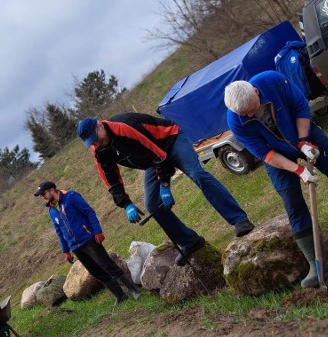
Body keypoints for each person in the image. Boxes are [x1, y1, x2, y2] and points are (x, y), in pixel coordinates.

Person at [223, 72, 328, 288]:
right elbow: (265, 154)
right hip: (277, 155)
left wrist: (303, 141)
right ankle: (317, 263)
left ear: (256, 92)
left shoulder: (272, 81)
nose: (251, 115)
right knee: (291, 201)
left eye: (253, 108)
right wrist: (299, 170)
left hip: (305, 133)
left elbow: (301, 107)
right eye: (246, 114)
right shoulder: (235, 120)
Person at [76, 112, 256, 266]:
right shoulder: (98, 149)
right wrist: (126, 204)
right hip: (151, 161)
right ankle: (190, 242)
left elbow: (157, 152)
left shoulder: (124, 127)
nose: (96, 143)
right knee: (152, 206)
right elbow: (110, 180)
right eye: (92, 142)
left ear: (100, 125)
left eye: (96, 138)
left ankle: (239, 220)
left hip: (171, 140)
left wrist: (164, 185)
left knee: (198, 175)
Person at [34, 181, 141, 305]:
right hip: (75, 247)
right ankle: (120, 296)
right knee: (96, 272)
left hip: (88, 239)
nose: (43, 197)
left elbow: (89, 212)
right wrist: (65, 250)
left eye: (44, 193)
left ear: (52, 190)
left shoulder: (71, 196)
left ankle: (134, 290)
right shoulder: (52, 210)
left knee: (108, 266)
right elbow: (59, 232)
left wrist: (97, 231)